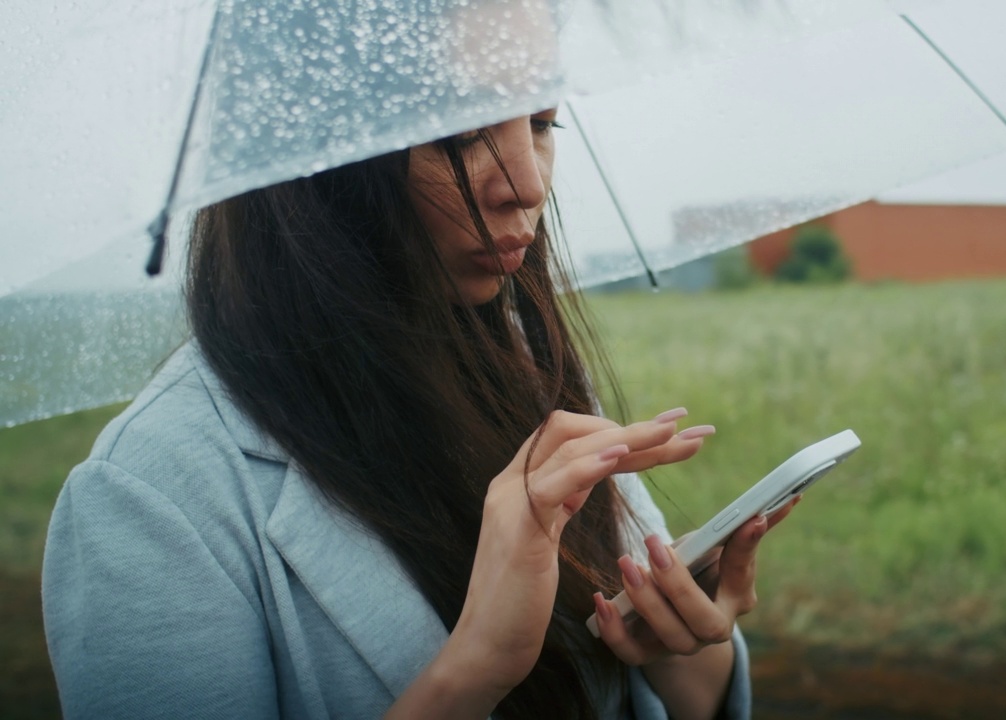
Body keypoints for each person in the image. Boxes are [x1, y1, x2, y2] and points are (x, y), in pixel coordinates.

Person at [42, 107, 794, 719]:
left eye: (542, 122)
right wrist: (474, 669)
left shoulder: (532, 374)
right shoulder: (146, 498)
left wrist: (684, 646)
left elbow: (680, 695)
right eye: (461, 132)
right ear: (314, 161)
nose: (528, 185)